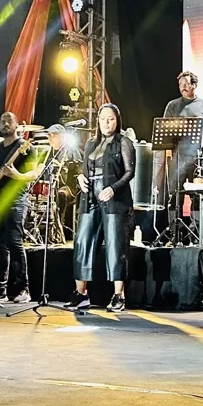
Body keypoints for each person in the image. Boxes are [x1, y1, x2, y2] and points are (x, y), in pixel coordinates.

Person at [71, 104, 136, 312]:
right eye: (103, 119)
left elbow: (130, 172)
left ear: (117, 121)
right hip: (90, 197)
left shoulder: (123, 142)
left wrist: (113, 189)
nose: (106, 123)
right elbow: (84, 171)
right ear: (97, 121)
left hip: (114, 199)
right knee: (83, 242)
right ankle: (81, 294)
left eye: (111, 119)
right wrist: (80, 178)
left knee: (115, 246)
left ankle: (119, 295)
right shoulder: (91, 143)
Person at [0, 112, 42, 303]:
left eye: (9, 120)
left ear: (18, 125)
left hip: (16, 200)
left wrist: (16, 175)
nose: (5, 123)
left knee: (14, 243)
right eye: (2, 120)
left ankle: (23, 289)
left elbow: (33, 174)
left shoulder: (26, 147)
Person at [158, 71, 203, 239]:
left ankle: (194, 236)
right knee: (175, 196)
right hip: (177, 157)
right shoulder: (172, 105)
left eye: (186, 84)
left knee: (197, 196)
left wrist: (199, 129)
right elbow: (164, 129)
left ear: (194, 85)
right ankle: (174, 235)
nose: (183, 87)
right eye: (180, 84)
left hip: (198, 158)